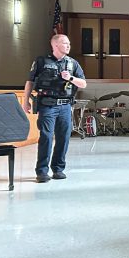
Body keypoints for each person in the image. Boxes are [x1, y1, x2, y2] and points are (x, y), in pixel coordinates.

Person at [23, 34, 87, 183]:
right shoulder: (41, 61)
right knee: (46, 136)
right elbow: (30, 82)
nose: (68, 46)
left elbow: (83, 83)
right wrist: (25, 101)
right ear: (55, 45)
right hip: (47, 105)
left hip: (65, 106)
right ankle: (42, 172)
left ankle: (58, 169)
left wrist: (70, 78)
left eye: (69, 43)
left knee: (63, 138)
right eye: (65, 43)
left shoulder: (72, 64)